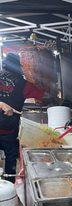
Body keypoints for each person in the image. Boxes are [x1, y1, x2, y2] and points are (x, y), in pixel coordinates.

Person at [0, 53, 44, 181]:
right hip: (9, 130)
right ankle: (10, 184)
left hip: (8, 129)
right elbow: (42, 95)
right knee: (10, 158)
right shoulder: (24, 83)